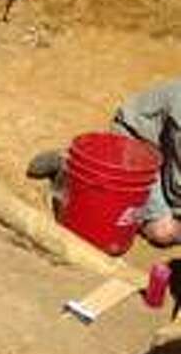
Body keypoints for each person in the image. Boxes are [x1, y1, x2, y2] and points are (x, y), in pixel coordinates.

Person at [28, 78, 181, 247]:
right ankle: (71, 168)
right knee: (162, 232)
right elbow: (176, 187)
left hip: (166, 156)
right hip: (132, 146)